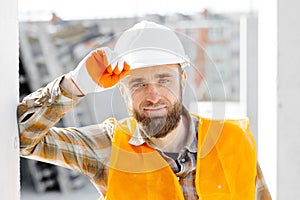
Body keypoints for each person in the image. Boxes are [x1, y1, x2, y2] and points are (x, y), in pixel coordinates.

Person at [18, 20, 271, 199]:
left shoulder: (233, 140)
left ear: (183, 81)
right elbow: (19, 138)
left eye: (164, 80)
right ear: (122, 89)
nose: (154, 96)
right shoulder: (107, 147)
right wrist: (72, 86)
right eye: (138, 84)